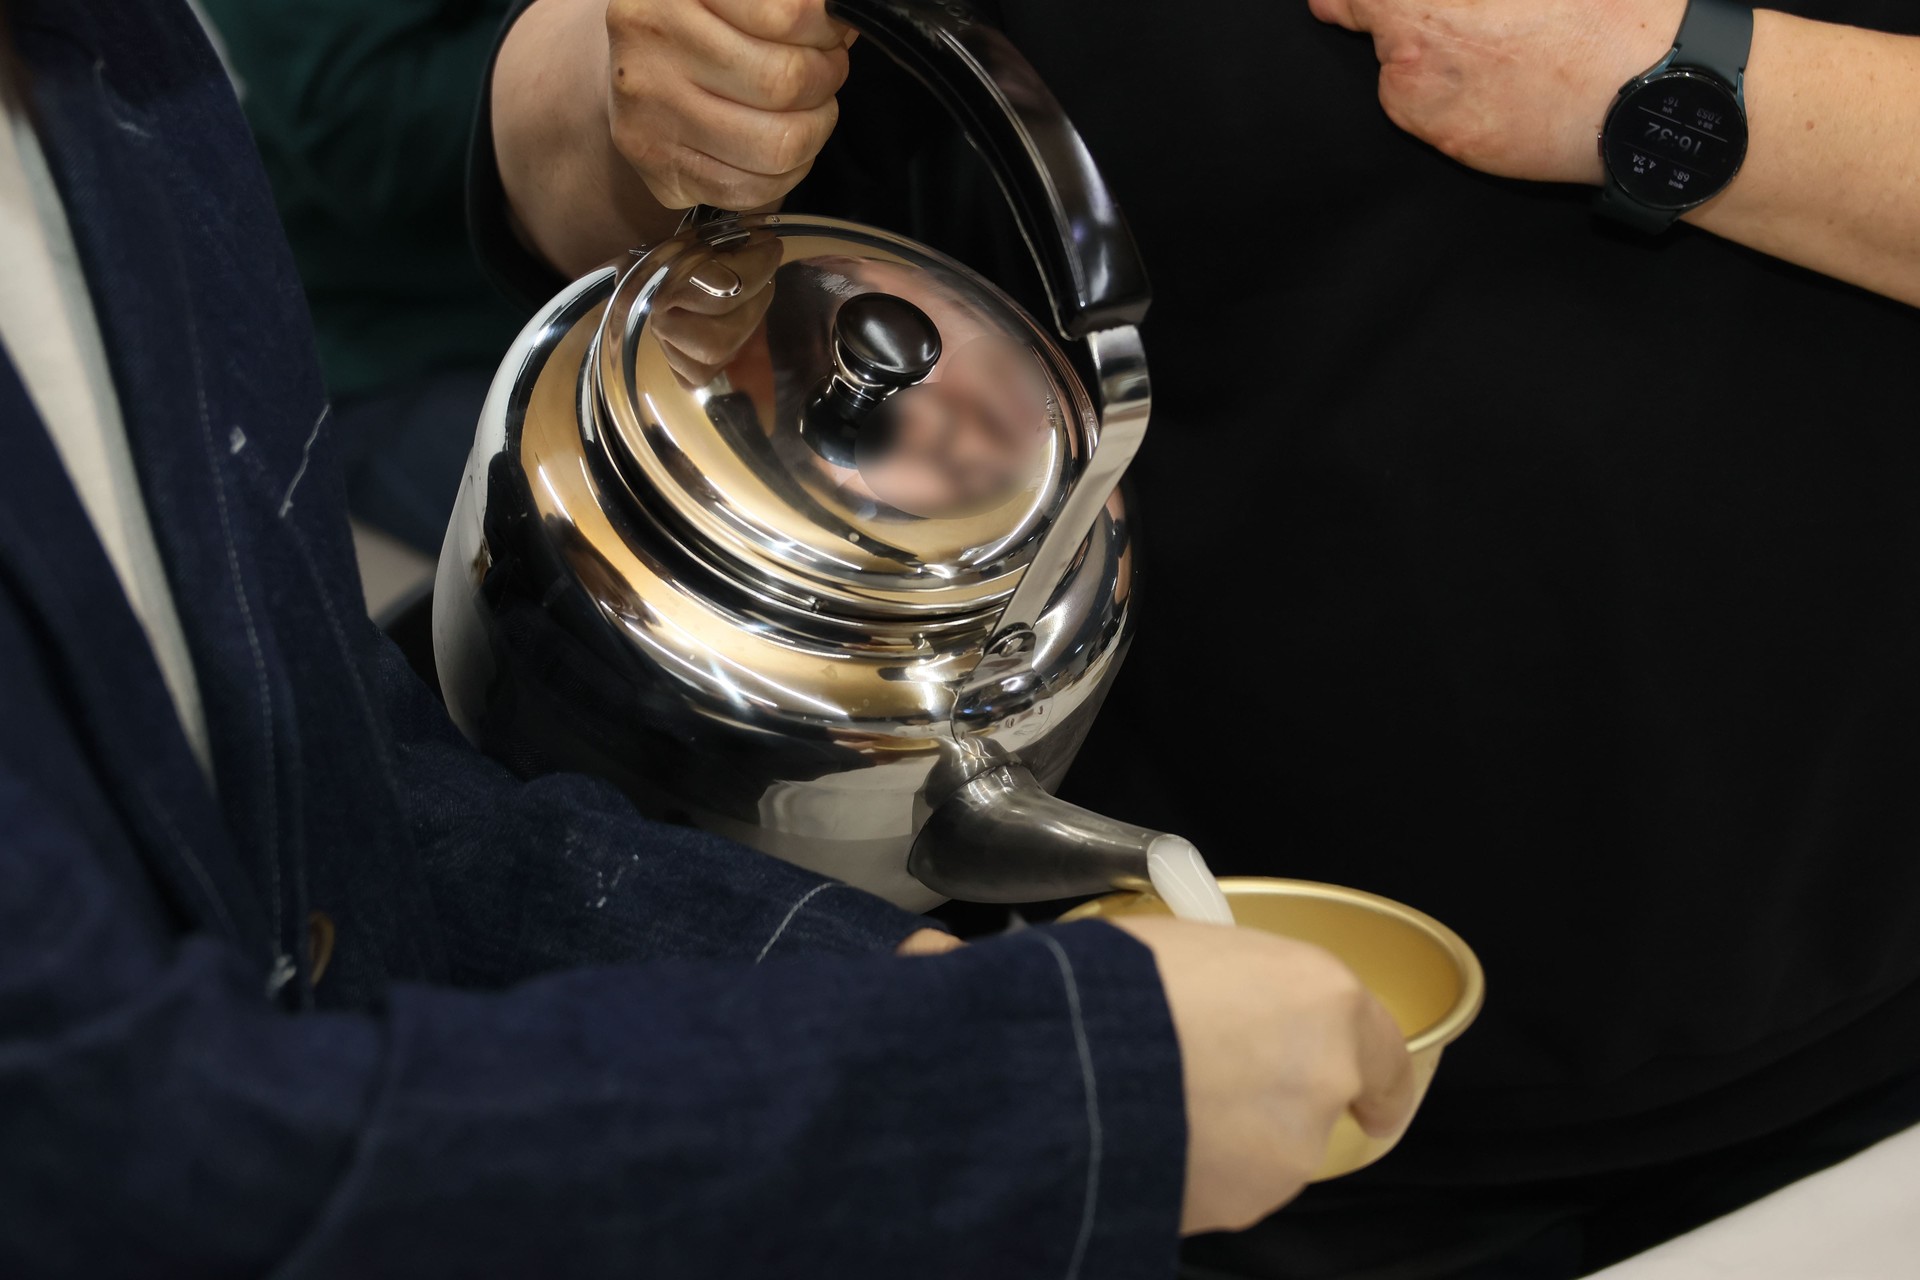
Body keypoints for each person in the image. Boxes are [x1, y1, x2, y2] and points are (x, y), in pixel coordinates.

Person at [482, 0, 1920, 1276]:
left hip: (1862, 1024)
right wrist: (657, 92)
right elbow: (545, 162)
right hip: (1204, 1056)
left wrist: (1668, 80)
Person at [0, 1, 1421, 1275]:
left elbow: (313, 788)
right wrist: (1039, 1079)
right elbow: (124, 1166)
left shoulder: (111, 66)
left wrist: (880, 982)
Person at [192, 0, 528, 554]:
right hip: (390, 348)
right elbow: (368, 131)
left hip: (566, 299)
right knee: (605, 556)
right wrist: (588, 41)